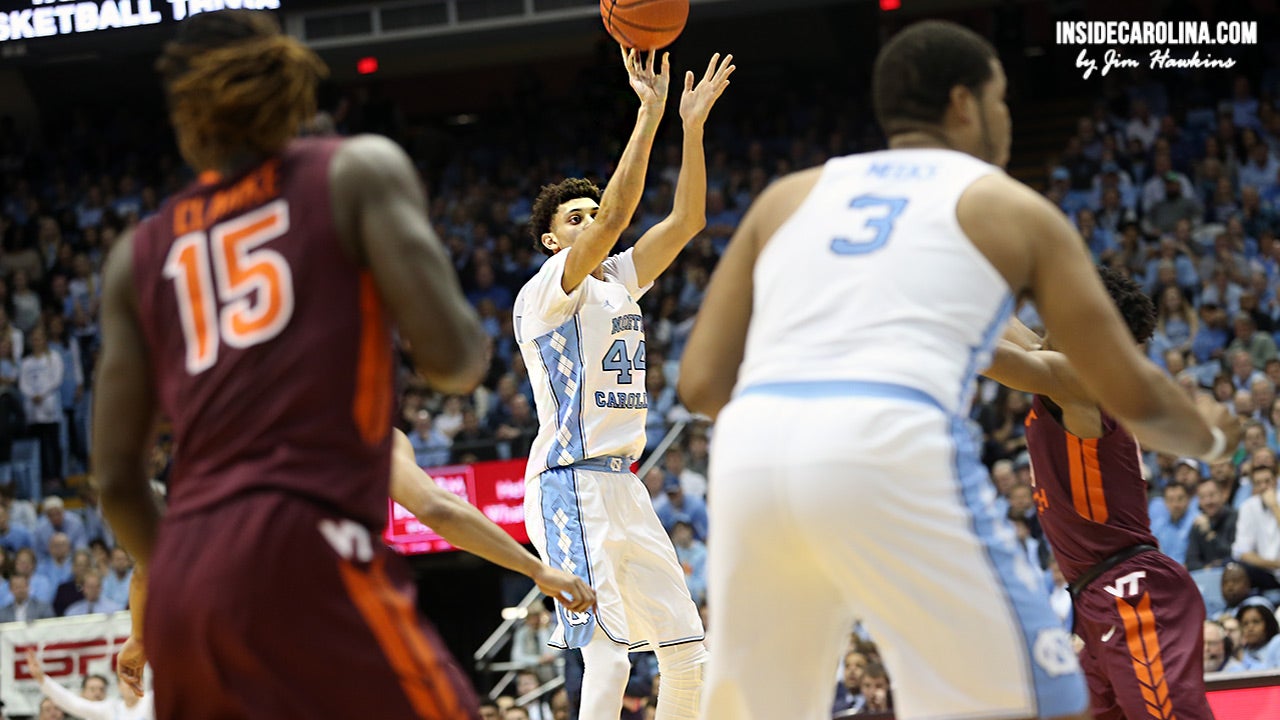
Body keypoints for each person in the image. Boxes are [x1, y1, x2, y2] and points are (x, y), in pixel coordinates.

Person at [678, 20, 1236, 720]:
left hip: (750, 452)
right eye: (1003, 99)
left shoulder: (786, 197)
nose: (1007, 116)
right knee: (1041, 701)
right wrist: (1215, 438)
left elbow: (699, 384)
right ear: (965, 103)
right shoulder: (1000, 202)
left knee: (768, 709)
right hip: (884, 439)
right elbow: (1115, 380)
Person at [92, 10, 490, 719]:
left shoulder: (137, 255)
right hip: (304, 543)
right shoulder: (356, 171)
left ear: (185, 115)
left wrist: (190, 576)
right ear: (292, 87)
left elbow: (117, 480)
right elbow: (455, 363)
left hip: (185, 579)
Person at [514, 47, 732, 720]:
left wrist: (690, 130)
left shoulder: (619, 280)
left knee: (687, 652)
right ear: (554, 242)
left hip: (623, 482)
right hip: (567, 482)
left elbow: (688, 221)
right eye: (572, 219)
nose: (589, 222)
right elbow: (614, 217)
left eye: (589, 213)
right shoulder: (551, 288)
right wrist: (649, 113)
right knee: (608, 656)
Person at [983, 269, 1216, 720]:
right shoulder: (1060, 367)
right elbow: (1004, 326)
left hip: (1132, 591)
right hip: (1095, 599)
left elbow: (990, 354)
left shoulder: (1077, 381)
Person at [26, 649, 153, 720]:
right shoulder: (111, 709)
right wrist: (42, 678)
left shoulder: (151, 701)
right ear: (119, 686)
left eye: (136, 680)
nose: (131, 685)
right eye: (126, 681)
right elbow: (74, 704)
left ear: (142, 683)